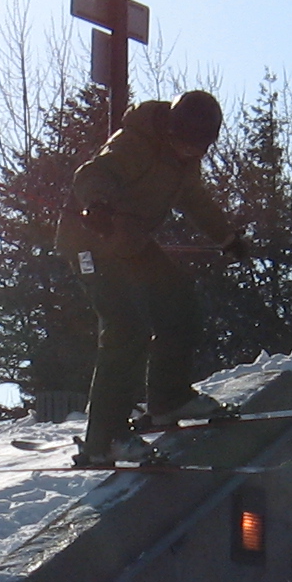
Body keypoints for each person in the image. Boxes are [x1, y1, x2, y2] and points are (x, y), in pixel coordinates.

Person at [58, 88, 241, 467]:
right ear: (172, 129)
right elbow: (93, 173)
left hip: (129, 241)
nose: (192, 152)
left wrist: (226, 236)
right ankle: (103, 439)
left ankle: (168, 399)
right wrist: (97, 205)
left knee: (179, 304)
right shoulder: (136, 142)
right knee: (126, 326)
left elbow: (195, 200)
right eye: (186, 143)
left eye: (200, 147)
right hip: (89, 239)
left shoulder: (184, 161)